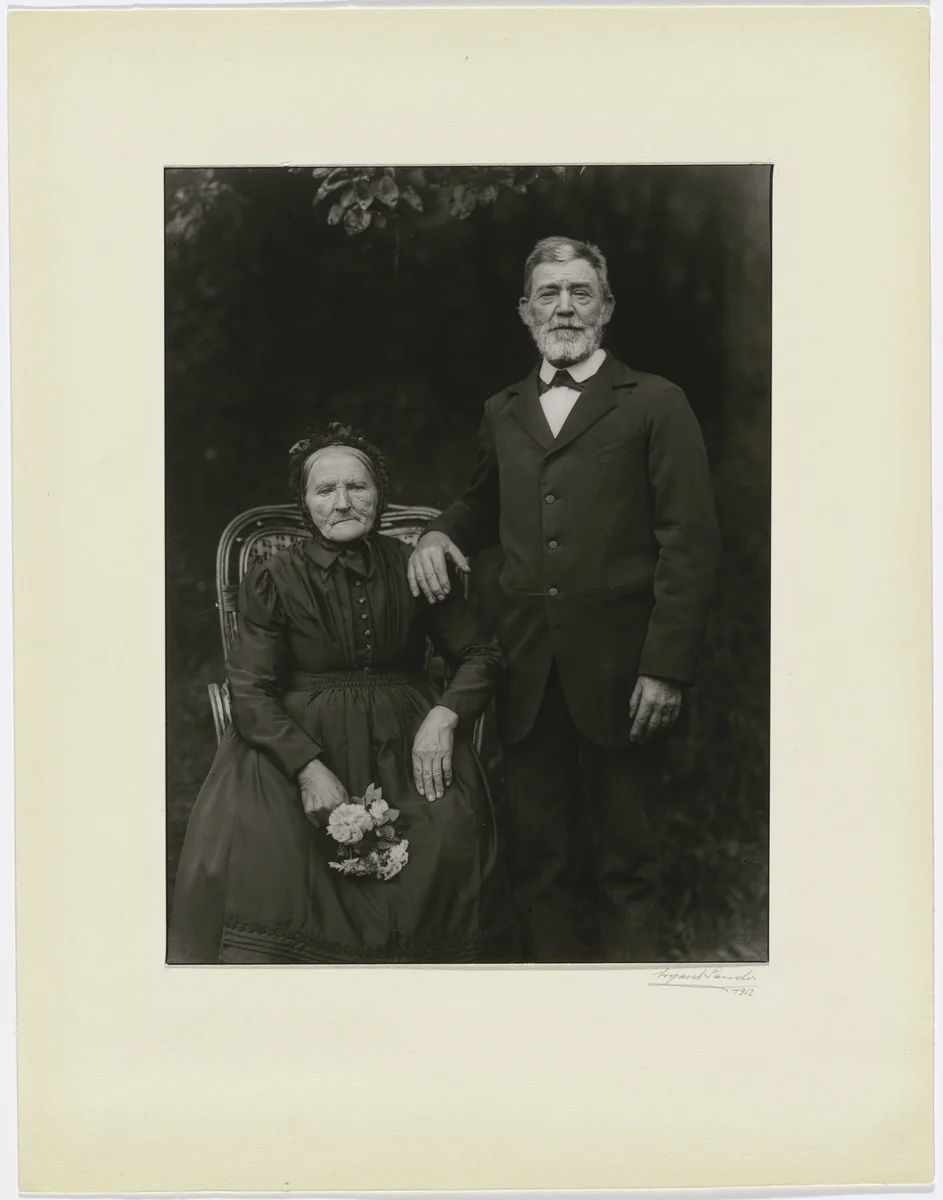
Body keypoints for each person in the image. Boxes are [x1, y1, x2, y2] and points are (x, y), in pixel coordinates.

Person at [407, 236, 721, 963]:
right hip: (527, 672)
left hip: (625, 674)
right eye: (548, 293)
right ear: (525, 311)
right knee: (537, 864)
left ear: (606, 308)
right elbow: (480, 504)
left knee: (628, 865)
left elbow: (690, 543)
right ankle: (556, 1015)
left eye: (581, 292)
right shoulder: (503, 409)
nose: (565, 307)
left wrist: (665, 667)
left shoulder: (656, 402)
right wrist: (435, 534)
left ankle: (631, 1015)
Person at [168, 422, 515, 965]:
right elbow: (251, 688)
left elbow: (481, 654)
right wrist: (306, 768)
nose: (343, 502)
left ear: (379, 494)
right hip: (298, 743)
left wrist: (445, 715)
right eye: (325, 490)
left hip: (409, 741)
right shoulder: (274, 577)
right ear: (306, 505)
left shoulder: (414, 564)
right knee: (273, 847)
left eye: (357, 486)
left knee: (449, 840)